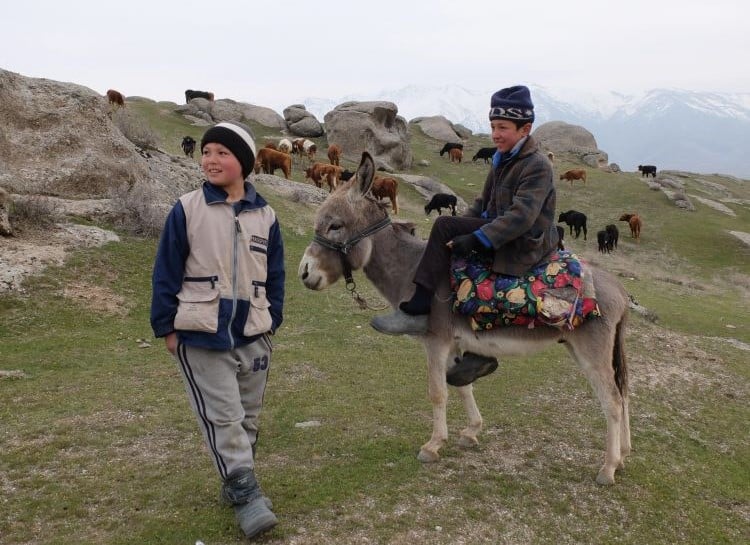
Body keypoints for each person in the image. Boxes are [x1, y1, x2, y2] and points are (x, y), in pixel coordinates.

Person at [150, 121, 285, 539]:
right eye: (206, 151)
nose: (211, 159)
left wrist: (272, 319)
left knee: (248, 418)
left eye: (222, 153)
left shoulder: (266, 216)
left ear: (243, 162)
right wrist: (166, 327)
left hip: (253, 332)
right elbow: (166, 270)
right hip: (200, 332)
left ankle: (238, 480)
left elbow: (275, 275)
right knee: (223, 417)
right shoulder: (187, 208)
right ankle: (247, 496)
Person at [371, 85, 559, 380]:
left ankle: (418, 309)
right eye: (493, 126)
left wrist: (476, 238)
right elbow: (483, 205)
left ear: (525, 129)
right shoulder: (503, 158)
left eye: (503, 127)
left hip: (524, 242)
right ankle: (477, 351)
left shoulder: (537, 165)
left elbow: (522, 216)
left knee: (443, 225)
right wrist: (460, 231)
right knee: (448, 233)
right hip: (504, 231)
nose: (495, 134)